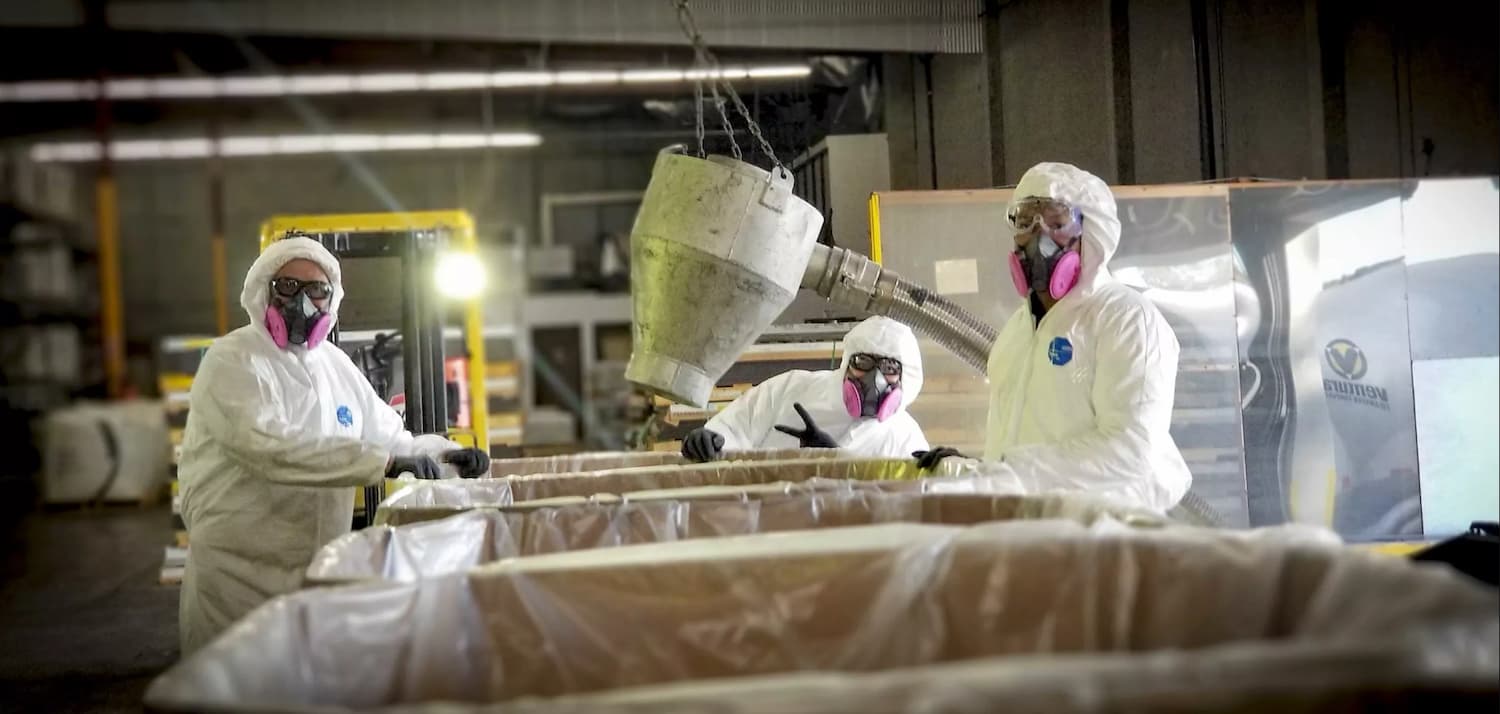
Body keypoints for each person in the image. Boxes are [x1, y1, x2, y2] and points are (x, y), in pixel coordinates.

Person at [177, 237, 492, 654]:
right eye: (287, 287)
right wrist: (385, 462)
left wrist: (445, 457)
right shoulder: (233, 361)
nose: (303, 302)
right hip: (239, 574)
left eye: (317, 290)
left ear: (332, 300)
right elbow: (271, 447)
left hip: (316, 569)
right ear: (262, 291)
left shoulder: (335, 365)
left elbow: (390, 437)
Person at [917, 162, 1191, 512]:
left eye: (1056, 223)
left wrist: (1010, 474)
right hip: (1033, 532)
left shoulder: (1126, 319)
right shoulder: (1019, 329)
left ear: (1091, 234)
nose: (1037, 237)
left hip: (1105, 538)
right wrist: (978, 471)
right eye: (1025, 221)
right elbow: (1023, 435)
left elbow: (1133, 448)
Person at [681, 316, 929, 461]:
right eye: (863, 362)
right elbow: (736, 428)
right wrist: (711, 441)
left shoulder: (905, 437)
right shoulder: (792, 388)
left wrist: (835, 462)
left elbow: (907, 507)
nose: (875, 379)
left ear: (904, 377)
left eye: (889, 368)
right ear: (847, 364)